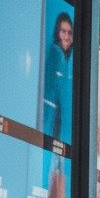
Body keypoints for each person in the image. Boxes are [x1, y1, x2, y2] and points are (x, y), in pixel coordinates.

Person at [43, 11, 74, 143]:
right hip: (50, 118)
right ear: (57, 32)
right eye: (63, 31)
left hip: (58, 120)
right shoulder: (57, 53)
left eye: (69, 32)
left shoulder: (66, 57)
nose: (66, 36)